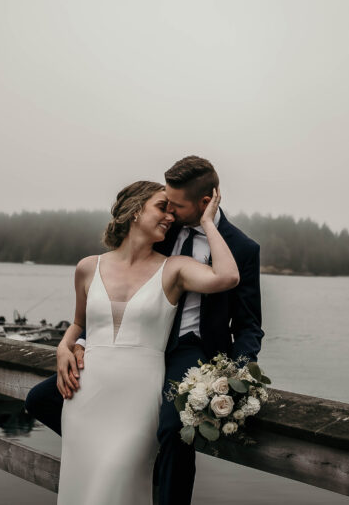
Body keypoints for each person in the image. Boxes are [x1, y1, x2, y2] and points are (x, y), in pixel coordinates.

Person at [25, 156, 264, 505]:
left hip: (190, 349)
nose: (170, 214)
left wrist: (235, 373)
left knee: (172, 429)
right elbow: (121, 293)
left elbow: (248, 325)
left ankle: (146, 474)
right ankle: (119, 456)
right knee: (42, 398)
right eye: (165, 204)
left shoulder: (241, 248)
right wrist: (71, 344)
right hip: (127, 349)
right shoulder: (161, 233)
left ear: (205, 202)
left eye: (177, 206)